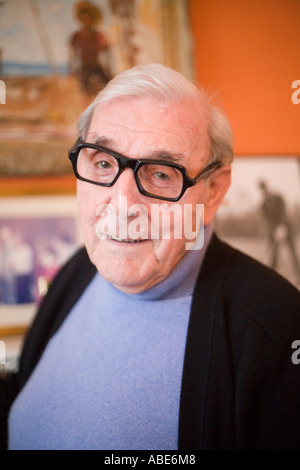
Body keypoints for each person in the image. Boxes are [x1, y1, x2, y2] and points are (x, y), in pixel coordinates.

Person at [1, 64, 299, 450]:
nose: (123, 205)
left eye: (161, 173)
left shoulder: (276, 328)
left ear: (212, 192)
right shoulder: (77, 270)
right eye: (104, 163)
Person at [258, 180, 300, 284]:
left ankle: (298, 275)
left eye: (265, 188)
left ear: (268, 187)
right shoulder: (262, 205)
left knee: (293, 253)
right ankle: (272, 277)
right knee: (273, 255)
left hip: (287, 228)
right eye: (262, 190)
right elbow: (266, 221)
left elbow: (283, 212)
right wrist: (274, 231)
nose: (264, 191)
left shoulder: (279, 198)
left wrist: (282, 226)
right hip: (274, 232)